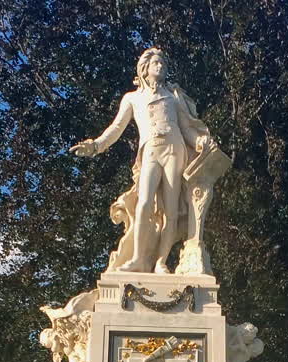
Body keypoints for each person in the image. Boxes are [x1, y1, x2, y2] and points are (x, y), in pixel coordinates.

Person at [71, 47, 216, 273]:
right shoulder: (133, 98)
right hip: (150, 150)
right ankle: (138, 259)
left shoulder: (173, 97)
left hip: (174, 150)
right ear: (145, 68)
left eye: (164, 65)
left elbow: (186, 128)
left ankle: (160, 262)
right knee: (144, 203)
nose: (161, 67)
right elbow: (117, 127)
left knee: (170, 209)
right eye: (156, 63)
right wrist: (96, 145)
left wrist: (199, 141)